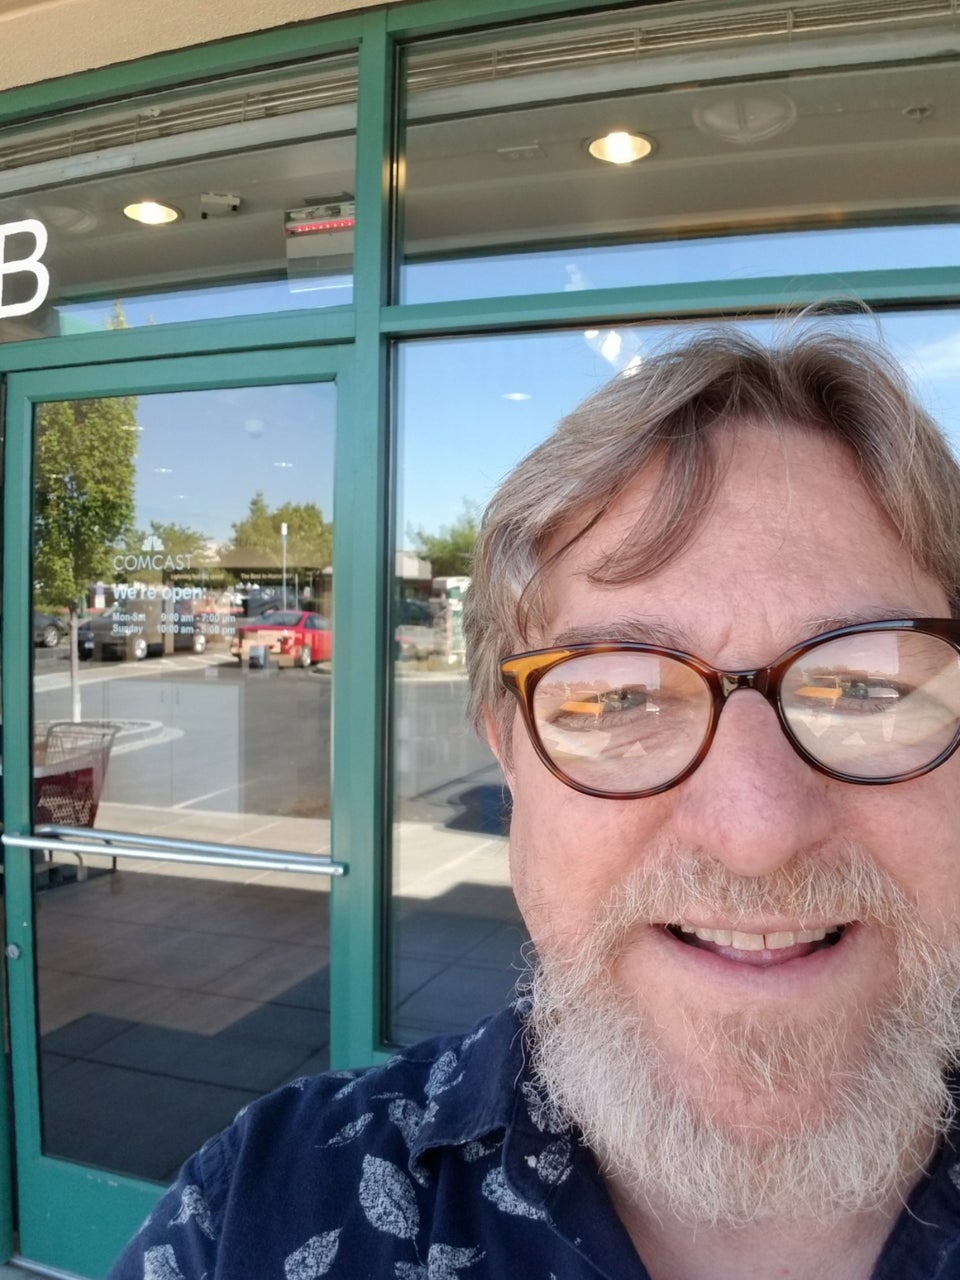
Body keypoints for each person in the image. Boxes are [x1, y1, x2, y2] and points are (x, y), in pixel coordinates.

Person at [109, 325, 960, 1280]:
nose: (756, 832)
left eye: (863, 689)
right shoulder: (248, 1220)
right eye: (620, 698)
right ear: (508, 755)